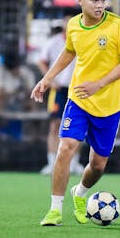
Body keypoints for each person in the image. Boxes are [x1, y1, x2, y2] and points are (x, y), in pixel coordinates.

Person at [31, 0, 120, 226]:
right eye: (94, 0)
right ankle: (55, 210)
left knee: (97, 165)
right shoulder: (74, 26)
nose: (100, 5)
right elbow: (69, 51)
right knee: (66, 147)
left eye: (103, 0)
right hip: (78, 100)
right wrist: (47, 78)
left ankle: (79, 193)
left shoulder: (117, 25)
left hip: (109, 106)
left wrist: (98, 84)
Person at [37, 14, 84, 176]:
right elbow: (41, 61)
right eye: (66, 20)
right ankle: (52, 163)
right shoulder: (53, 42)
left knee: (78, 126)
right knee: (55, 125)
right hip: (59, 89)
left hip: (78, 90)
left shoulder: (84, 39)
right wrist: (49, 80)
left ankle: (75, 163)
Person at [0, 51, 36, 117]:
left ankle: (31, 119)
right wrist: (9, 94)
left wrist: (22, 93)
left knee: (33, 97)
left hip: (21, 97)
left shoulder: (25, 72)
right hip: (6, 97)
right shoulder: (0, 71)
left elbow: (31, 88)